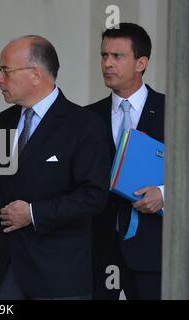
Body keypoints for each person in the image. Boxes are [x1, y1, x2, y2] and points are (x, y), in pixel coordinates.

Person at [0, 35, 111, 299]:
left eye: (5, 70)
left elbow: (94, 196)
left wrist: (34, 213)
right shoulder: (4, 121)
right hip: (6, 270)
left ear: (36, 74)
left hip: (59, 275)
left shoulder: (84, 125)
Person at [87, 23, 165, 300]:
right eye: (103, 55)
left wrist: (164, 194)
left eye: (117, 56)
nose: (107, 64)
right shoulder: (85, 118)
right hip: (97, 250)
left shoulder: (175, 112)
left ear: (141, 63)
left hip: (153, 251)